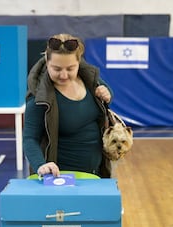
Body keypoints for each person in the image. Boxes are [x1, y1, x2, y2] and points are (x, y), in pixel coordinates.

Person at [23, 33, 113, 178]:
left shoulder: (89, 79)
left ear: (79, 62)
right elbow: (29, 139)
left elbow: (107, 94)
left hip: (96, 174)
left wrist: (107, 93)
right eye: (57, 69)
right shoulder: (39, 97)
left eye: (70, 68)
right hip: (61, 179)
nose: (64, 75)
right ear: (47, 60)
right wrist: (41, 165)